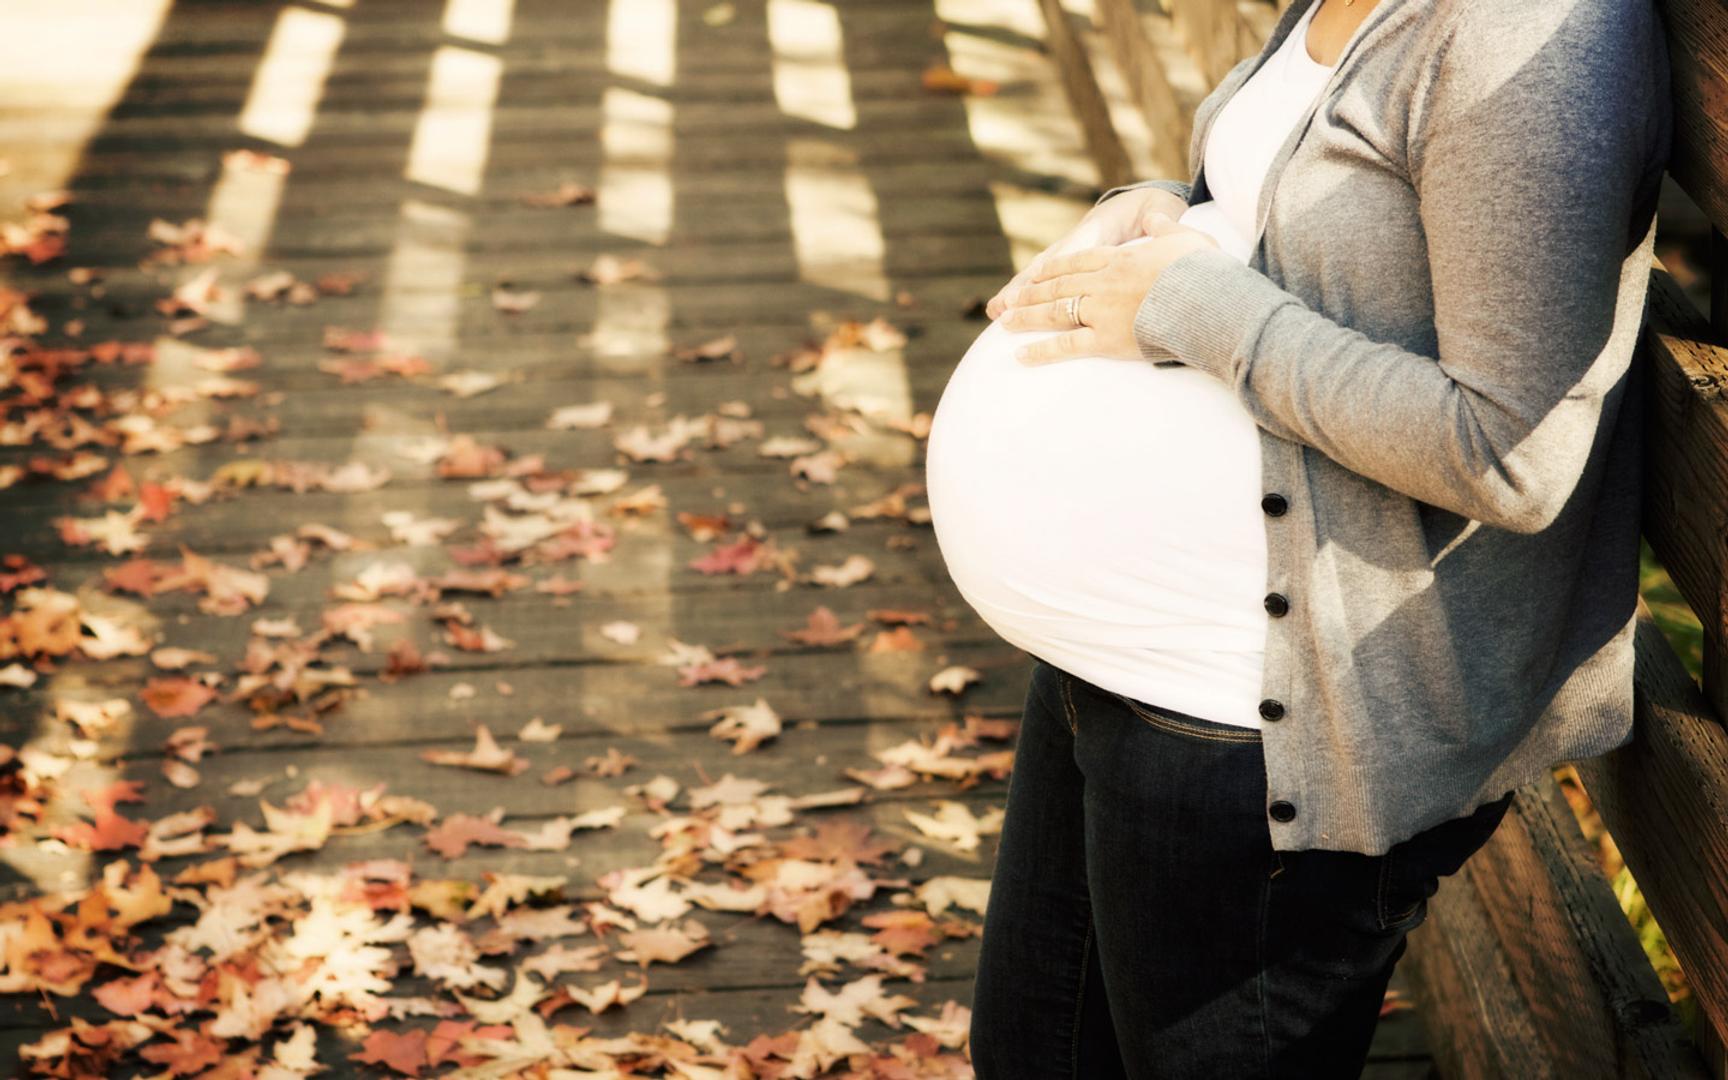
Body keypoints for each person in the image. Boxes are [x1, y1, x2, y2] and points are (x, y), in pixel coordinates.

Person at [921, 0, 1674, 1074]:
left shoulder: (1530, 38)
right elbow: (1326, 239)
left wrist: (1194, 304)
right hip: (1125, 668)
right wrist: (1162, 218)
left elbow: (1510, 451)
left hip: (1270, 718)